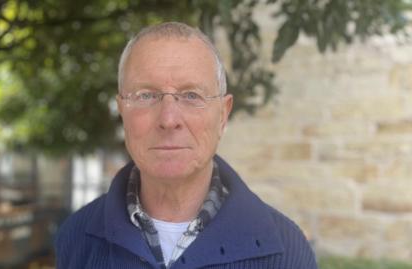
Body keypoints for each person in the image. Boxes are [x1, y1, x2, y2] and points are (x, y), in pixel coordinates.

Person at [55, 21, 318, 269]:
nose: (169, 120)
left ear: (223, 115)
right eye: (146, 95)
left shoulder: (286, 252)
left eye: (191, 95)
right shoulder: (76, 238)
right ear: (123, 110)